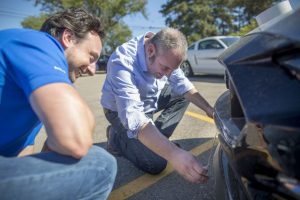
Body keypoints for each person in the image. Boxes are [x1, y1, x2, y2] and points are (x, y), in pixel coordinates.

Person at [0, 8, 117, 199]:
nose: (92, 70)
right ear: (68, 38)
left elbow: (26, 158)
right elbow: (76, 141)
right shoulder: (40, 43)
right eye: (91, 56)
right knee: (101, 165)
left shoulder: (32, 92)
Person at [101, 27, 214, 183]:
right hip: (119, 111)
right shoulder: (121, 62)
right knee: (157, 163)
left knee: (182, 96)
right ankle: (116, 139)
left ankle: (153, 141)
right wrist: (173, 154)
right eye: (165, 68)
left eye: (172, 69)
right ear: (151, 50)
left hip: (147, 102)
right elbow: (133, 117)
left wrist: (210, 109)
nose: (168, 74)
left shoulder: (165, 53)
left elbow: (182, 84)